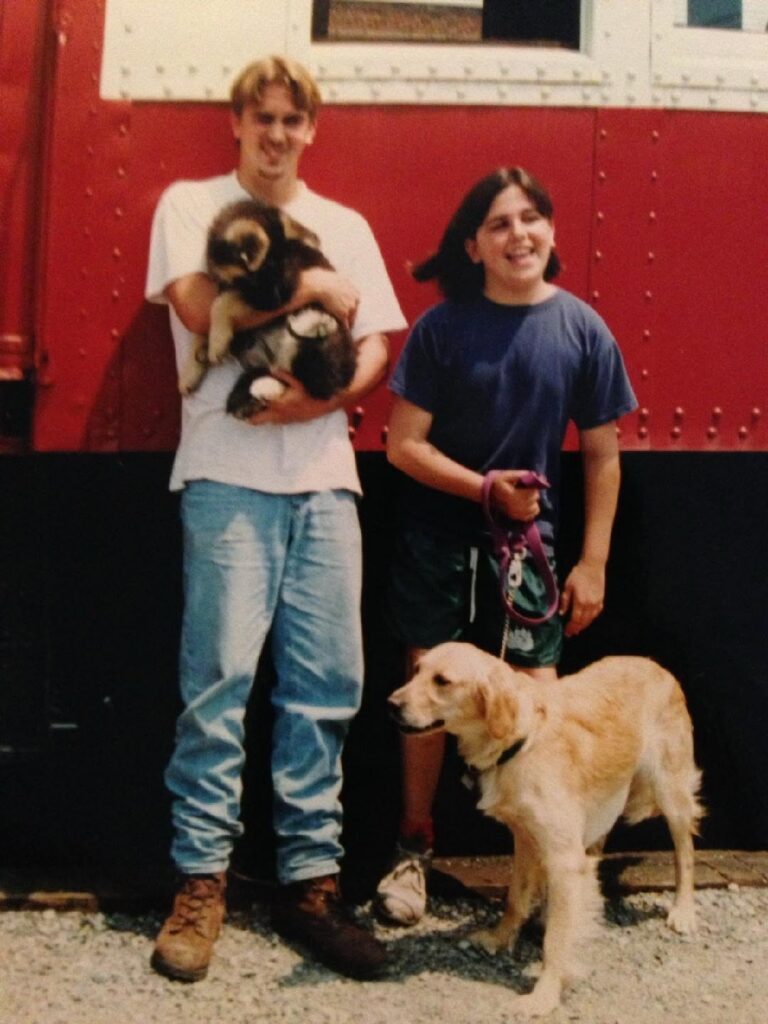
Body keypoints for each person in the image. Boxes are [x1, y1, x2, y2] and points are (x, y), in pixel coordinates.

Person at [145, 55, 406, 982]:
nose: (277, 134)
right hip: (225, 474)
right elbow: (195, 305)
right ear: (237, 123)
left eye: (293, 120)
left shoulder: (347, 224)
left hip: (327, 480)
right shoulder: (192, 205)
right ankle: (200, 884)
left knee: (325, 689)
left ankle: (310, 887)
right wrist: (312, 290)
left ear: (311, 129)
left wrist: (319, 403)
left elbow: (376, 343)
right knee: (217, 686)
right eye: (262, 118)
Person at [374, 166, 637, 926]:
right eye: (498, 223)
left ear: (551, 231)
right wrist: (484, 489)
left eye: (530, 218)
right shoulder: (441, 330)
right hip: (438, 544)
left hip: (530, 554)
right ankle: (413, 850)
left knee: (538, 704)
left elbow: (603, 456)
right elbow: (402, 445)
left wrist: (593, 563)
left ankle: (544, 871)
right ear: (473, 245)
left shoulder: (583, 329)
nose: (518, 234)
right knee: (426, 696)